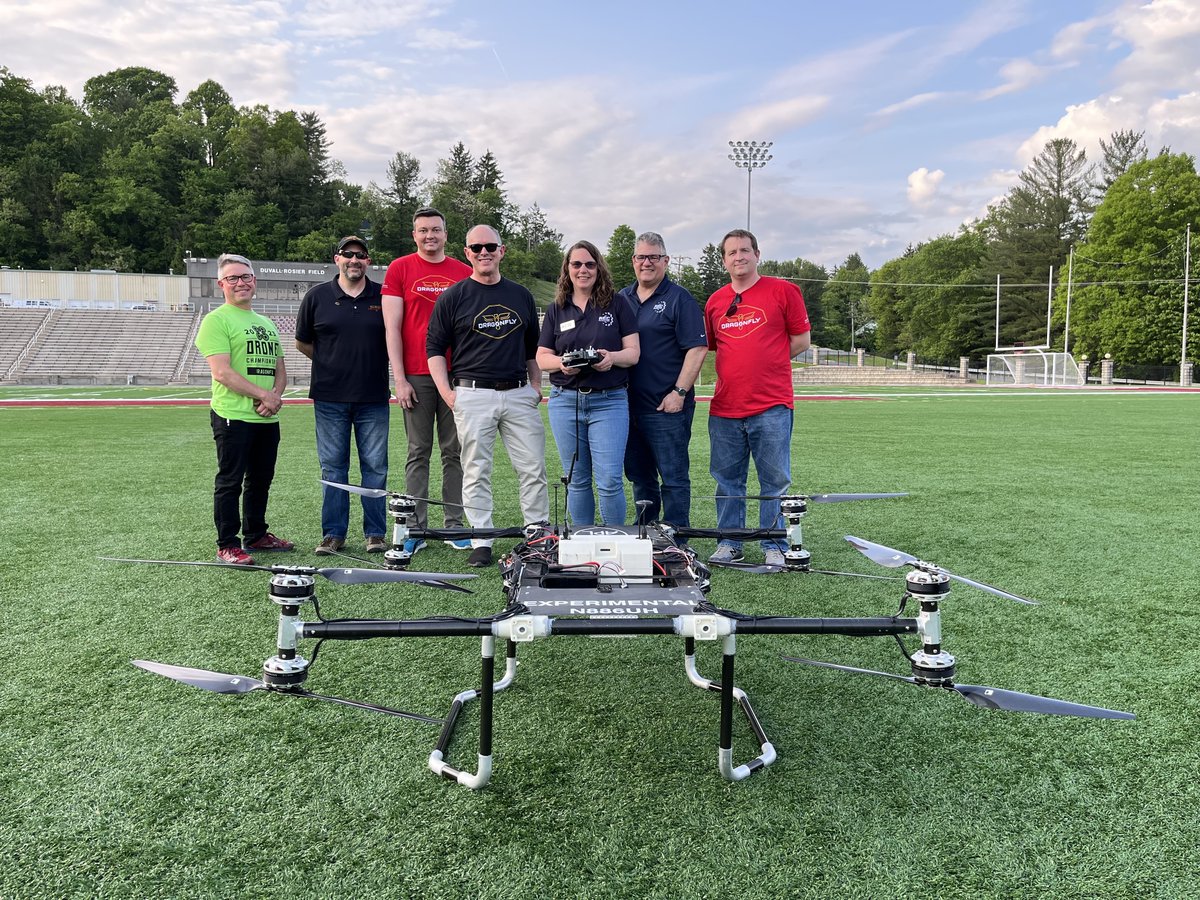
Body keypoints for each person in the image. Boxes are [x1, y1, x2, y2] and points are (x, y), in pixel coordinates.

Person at [426, 224, 550, 568]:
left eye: (490, 247)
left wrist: (535, 385)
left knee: (532, 468)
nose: (484, 252)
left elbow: (532, 347)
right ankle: (482, 538)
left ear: (502, 250)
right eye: (476, 247)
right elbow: (434, 348)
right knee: (476, 469)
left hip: (518, 392)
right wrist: (447, 393)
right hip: (472, 393)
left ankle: (537, 535)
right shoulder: (453, 297)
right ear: (467, 253)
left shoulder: (521, 295)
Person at [704, 229, 811, 566]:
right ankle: (730, 542)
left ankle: (773, 544)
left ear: (757, 254)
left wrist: (770, 360)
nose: (739, 257)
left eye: (745, 250)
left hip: (771, 404)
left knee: (774, 481)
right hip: (725, 406)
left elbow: (801, 340)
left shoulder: (783, 291)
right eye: (732, 252)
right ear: (724, 260)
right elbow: (713, 347)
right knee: (727, 481)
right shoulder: (715, 301)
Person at [382, 208, 473, 556]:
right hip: (417, 375)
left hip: (456, 375)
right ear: (414, 235)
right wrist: (399, 378)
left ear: (446, 235)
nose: (430, 235)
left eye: (436, 229)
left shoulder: (463, 272)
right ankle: (415, 528)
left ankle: (454, 524)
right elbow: (392, 328)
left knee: (455, 452)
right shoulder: (400, 268)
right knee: (418, 452)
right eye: (423, 230)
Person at [195, 253, 293, 565]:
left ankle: (256, 534)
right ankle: (227, 544)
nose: (241, 283)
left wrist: (274, 396)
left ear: (254, 280)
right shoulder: (216, 320)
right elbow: (221, 372)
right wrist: (265, 396)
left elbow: (280, 369)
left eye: (246, 277)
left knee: (261, 480)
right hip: (232, 415)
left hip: (266, 418)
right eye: (233, 278)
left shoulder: (266, 323)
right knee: (230, 481)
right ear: (221, 284)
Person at [296, 235, 389, 556]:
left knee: (375, 467)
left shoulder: (383, 295)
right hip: (330, 397)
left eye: (360, 255)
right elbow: (302, 342)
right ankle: (333, 534)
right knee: (333, 468)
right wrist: (331, 362)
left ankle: (375, 533)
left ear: (368, 261)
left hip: (373, 396)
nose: (354, 260)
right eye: (348, 254)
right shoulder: (317, 296)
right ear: (337, 259)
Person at [537, 240, 639, 525]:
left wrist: (611, 358)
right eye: (577, 264)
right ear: (567, 269)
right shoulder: (557, 309)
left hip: (609, 401)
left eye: (590, 264)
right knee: (577, 479)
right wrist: (562, 363)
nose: (583, 270)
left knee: (609, 480)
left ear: (598, 268)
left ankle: (615, 540)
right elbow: (542, 357)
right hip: (565, 401)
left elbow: (633, 353)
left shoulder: (617, 303)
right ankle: (583, 541)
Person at [617, 232, 707, 529]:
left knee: (673, 477)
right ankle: (646, 533)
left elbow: (697, 348)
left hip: (665, 406)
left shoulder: (679, 298)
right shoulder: (621, 298)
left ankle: (676, 537)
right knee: (639, 476)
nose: (647, 263)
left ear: (665, 261)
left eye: (653, 257)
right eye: (641, 257)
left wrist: (679, 392)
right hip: (627, 407)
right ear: (633, 261)